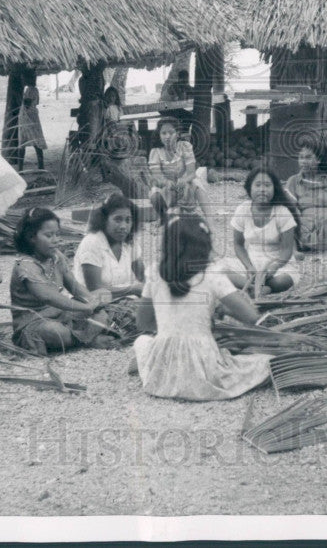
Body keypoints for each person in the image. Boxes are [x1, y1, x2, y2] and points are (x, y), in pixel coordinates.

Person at [132, 214, 271, 400]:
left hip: (162, 374)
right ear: (204, 246)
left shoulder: (155, 273)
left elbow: (143, 322)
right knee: (266, 363)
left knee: (142, 342)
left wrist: (173, 327)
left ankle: (148, 366)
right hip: (202, 366)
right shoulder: (212, 275)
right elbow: (252, 317)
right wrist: (223, 310)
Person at [9, 208, 113, 355]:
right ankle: (89, 340)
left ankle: (80, 337)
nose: (56, 239)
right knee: (56, 332)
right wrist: (86, 308)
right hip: (34, 322)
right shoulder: (25, 265)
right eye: (49, 235)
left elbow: (73, 285)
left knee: (102, 298)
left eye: (57, 234)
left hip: (60, 314)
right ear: (31, 237)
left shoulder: (55, 256)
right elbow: (49, 297)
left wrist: (91, 300)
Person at [223, 166, 298, 296]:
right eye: (257, 185)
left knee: (281, 282)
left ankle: (252, 286)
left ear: (274, 189)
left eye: (267, 185)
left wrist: (273, 268)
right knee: (218, 269)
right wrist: (248, 266)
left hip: (278, 264)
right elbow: (238, 244)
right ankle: (255, 288)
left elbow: (287, 250)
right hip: (252, 261)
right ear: (249, 188)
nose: (262, 190)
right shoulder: (243, 209)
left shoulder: (282, 213)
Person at [74, 193, 145, 298]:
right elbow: (95, 289)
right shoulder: (92, 243)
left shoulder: (129, 242)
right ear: (104, 220)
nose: (123, 226)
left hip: (125, 300)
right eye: (118, 219)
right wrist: (132, 290)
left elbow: (143, 276)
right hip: (93, 306)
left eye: (128, 220)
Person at [147, 116, 211, 224]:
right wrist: (167, 182)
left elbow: (191, 173)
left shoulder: (184, 146)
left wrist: (183, 180)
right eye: (163, 133)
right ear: (159, 135)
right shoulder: (155, 152)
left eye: (171, 133)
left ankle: (209, 217)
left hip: (185, 183)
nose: (167, 137)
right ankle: (164, 217)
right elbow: (157, 176)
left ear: (177, 134)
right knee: (154, 194)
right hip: (166, 186)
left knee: (196, 183)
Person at [17, 69, 47, 171]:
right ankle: (41, 166)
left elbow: (27, 103)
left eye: (23, 78)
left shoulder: (29, 90)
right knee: (36, 141)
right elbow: (36, 102)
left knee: (23, 143)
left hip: (28, 118)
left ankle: (20, 167)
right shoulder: (34, 89)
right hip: (32, 116)